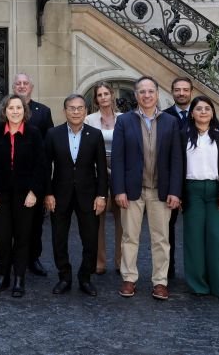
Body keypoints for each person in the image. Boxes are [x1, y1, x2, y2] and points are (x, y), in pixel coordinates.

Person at [111, 76, 182, 301]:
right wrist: (119, 190)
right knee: (130, 237)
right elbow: (118, 158)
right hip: (132, 190)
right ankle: (129, 278)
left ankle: (160, 282)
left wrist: (175, 191)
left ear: (157, 94)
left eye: (150, 91)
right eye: (142, 92)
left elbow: (177, 159)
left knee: (161, 239)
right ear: (136, 95)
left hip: (161, 190)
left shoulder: (170, 121)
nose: (147, 95)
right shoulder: (124, 121)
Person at [44, 94, 108, 296]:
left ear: (86, 111)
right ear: (65, 111)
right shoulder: (53, 134)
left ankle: (85, 277)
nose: (76, 111)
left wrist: (101, 196)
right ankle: (64, 276)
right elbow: (46, 167)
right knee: (58, 238)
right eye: (71, 108)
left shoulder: (95, 135)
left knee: (90, 239)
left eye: (80, 108)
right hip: (59, 194)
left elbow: (101, 168)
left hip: (88, 195)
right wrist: (48, 193)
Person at [0, 94, 47, 298]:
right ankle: (2, 276)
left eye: (19, 108)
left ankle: (19, 278)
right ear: (5, 111)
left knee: (23, 238)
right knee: (2, 237)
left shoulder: (34, 133)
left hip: (25, 195)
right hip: (0, 194)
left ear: (25, 111)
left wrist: (34, 192)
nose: (15, 111)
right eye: (11, 108)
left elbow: (41, 166)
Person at [181, 95, 219, 299]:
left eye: (207, 108)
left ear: (212, 113)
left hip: (216, 192)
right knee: (193, 239)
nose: (203, 112)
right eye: (199, 109)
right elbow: (177, 165)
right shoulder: (183, 135)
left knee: (215, 237)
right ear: (192, 113)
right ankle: (197, 285)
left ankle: (218, 285)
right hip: (192, 191)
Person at [12, 72, 54, 277]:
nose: (21, 86)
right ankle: (13, 257)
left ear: (31, 87)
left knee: (36, 221)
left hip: (36, 176)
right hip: (11, 177)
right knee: (12, 221)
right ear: (14, 87)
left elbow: (50, 145)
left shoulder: (43, 112)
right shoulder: (5, 109)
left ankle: (33, 258)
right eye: (18, 83)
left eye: (25, 83)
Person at [84, 81, 122, 275]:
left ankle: (120, 261)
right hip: (98, 172)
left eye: (106, 94)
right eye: (100, 95)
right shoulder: (89, 119)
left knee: (121, 219)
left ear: (112, 95)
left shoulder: (124, 118)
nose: (103, 97)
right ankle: (99, 261)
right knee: (97, 220)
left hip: (120, 172)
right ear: (96, 99)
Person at [163, 76, 193, 279]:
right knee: (167, 229)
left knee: (195, 229)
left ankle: (195, 270)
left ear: (191, 91)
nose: (181, 93)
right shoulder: (164, 116)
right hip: (171, 180)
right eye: (177, 89)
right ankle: (168, 268)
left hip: (194, 179)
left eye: (185, 89)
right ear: (172, 92)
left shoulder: (202, 113)